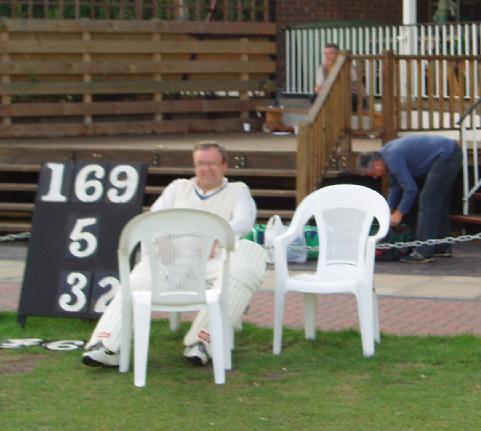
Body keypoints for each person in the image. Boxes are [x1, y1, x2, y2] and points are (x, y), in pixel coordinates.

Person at [82, 141, 267, 367]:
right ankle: (106, 345)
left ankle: (202, 341)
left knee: (249, 259)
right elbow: (154, 218)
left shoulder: (238, 190)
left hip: (214, 260)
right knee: (136, 280)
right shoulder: (178, 187)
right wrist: (161, 239)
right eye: (201, 164)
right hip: (172, 259)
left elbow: (244, 221)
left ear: (225, 165)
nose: (206, 169)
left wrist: (217, 237)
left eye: (212, 164)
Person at [357, 134, 462, 263]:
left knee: (427, 201)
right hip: (448, 152)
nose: (374, 177)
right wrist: (389, 210)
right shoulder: (387, 156)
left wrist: (399, 214)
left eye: (373, 174)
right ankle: (442, 247)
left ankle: (422, 253)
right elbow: (395, 186)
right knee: (437, 204)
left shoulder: (392, 156)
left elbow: (411, 189)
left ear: (377, 165)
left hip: (446, 155)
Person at [311, 43, 366, 111]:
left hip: (353, 95)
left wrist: (331, 69)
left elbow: (345, 85)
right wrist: (319, 91)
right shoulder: (323, 67)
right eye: (325, 53)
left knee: (343, 97)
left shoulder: (347, 66)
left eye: (330, 53)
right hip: (333, 95)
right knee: (314, 97)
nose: (327, 56)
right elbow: (318, 87)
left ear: (337, 55)